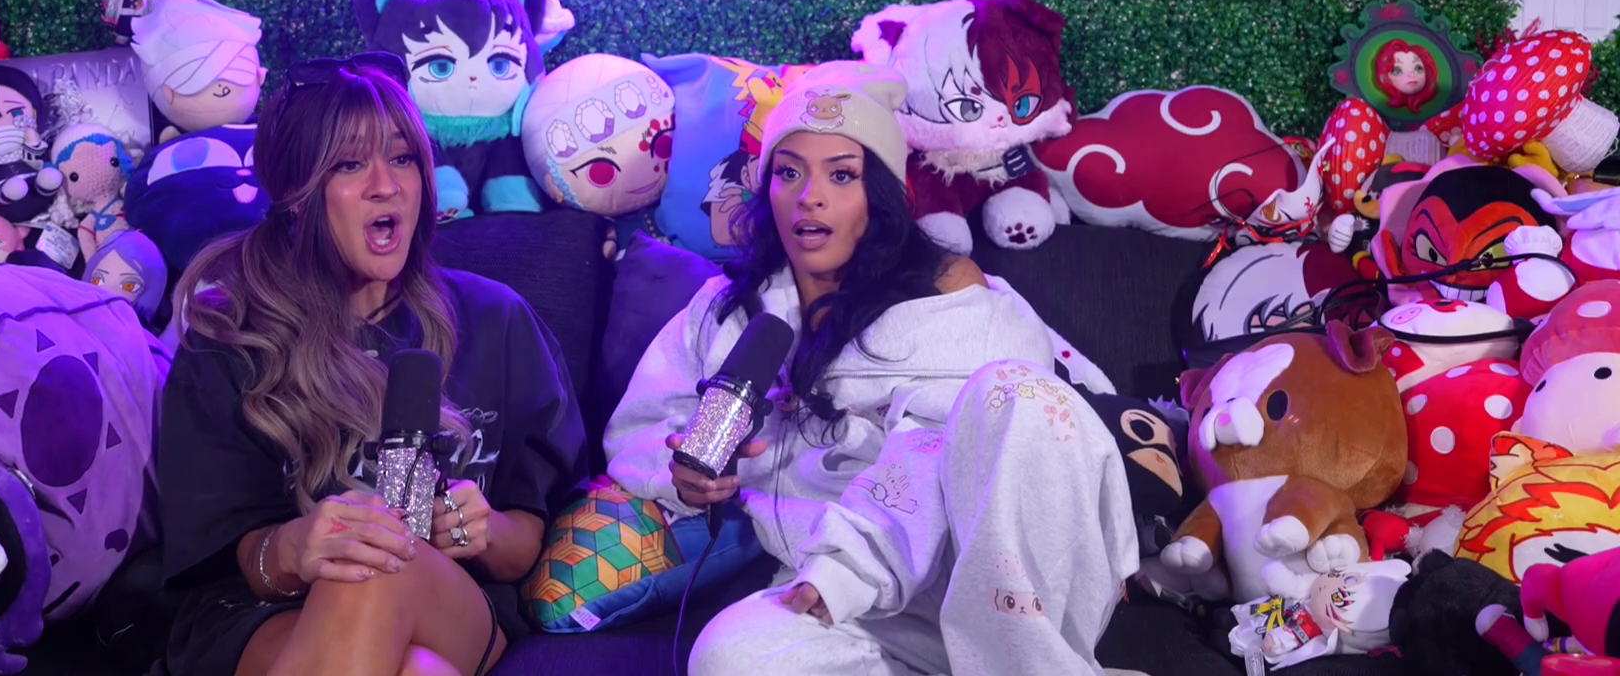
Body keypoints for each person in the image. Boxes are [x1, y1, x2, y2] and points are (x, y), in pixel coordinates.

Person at [603, 61, 1139, 676]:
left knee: (1010, 392)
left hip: (974, 579)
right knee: (728, 658)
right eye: (789, 172)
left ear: (879, 195)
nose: (810, 195)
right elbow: (639, 426)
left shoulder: (952, 300)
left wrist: (850, 569)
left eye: (841, 175)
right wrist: (686, 476)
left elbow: (942, 450)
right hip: (838, 599)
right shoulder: (724, 313)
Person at [157, 52, 585, 676]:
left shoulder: (497, 321)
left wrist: (482, 529)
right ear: (297, 196)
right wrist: (295, 548)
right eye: (350, 164)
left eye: (403, 158)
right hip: (263, 613)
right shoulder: (229, 338)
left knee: (378, 562)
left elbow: (528, 545)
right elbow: (225, 554)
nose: (387, 185)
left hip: (451, 603)